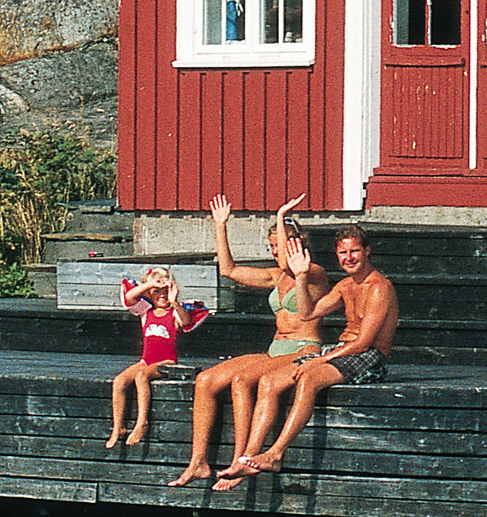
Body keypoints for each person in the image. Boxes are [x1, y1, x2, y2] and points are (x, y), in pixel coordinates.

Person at [215, 222, 398, 490]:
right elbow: (307, 313)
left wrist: (322, 359)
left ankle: (276, 454)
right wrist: (300, 277)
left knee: (308, 378)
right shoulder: (345, 286)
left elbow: (364, 343)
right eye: (343, 253)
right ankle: (248, 458)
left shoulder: (379, 287)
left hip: (370, 357)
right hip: (341, 351)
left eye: (354, 252)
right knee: (269, 381)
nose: (348, 258)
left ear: (367, 251)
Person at [166, 193, 330, 486]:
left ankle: (240, 462)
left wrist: (280, 217)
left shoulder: (314, 274)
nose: (273, 253)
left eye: (277, 246)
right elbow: (228, 270)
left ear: (295, 247)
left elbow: (290, 266)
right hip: (274, 351)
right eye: (270, 247)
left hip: (304, 349)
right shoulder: (275, 279)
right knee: (205, 380)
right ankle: (199, 462)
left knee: (242, 380)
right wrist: (220, 226)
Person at [104, 267, 209, 448]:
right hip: (146, 360)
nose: (162, 295)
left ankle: (142, 422)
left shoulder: (174, 313)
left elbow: (185, 322)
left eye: (165, 291)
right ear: (149, 294)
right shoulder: (146, 312)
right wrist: (149, 284)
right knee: (119, 381)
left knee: (141, 376)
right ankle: (118, 427)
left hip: (167, 361)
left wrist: (174, 301)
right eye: (156, 292)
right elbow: (130, 298)